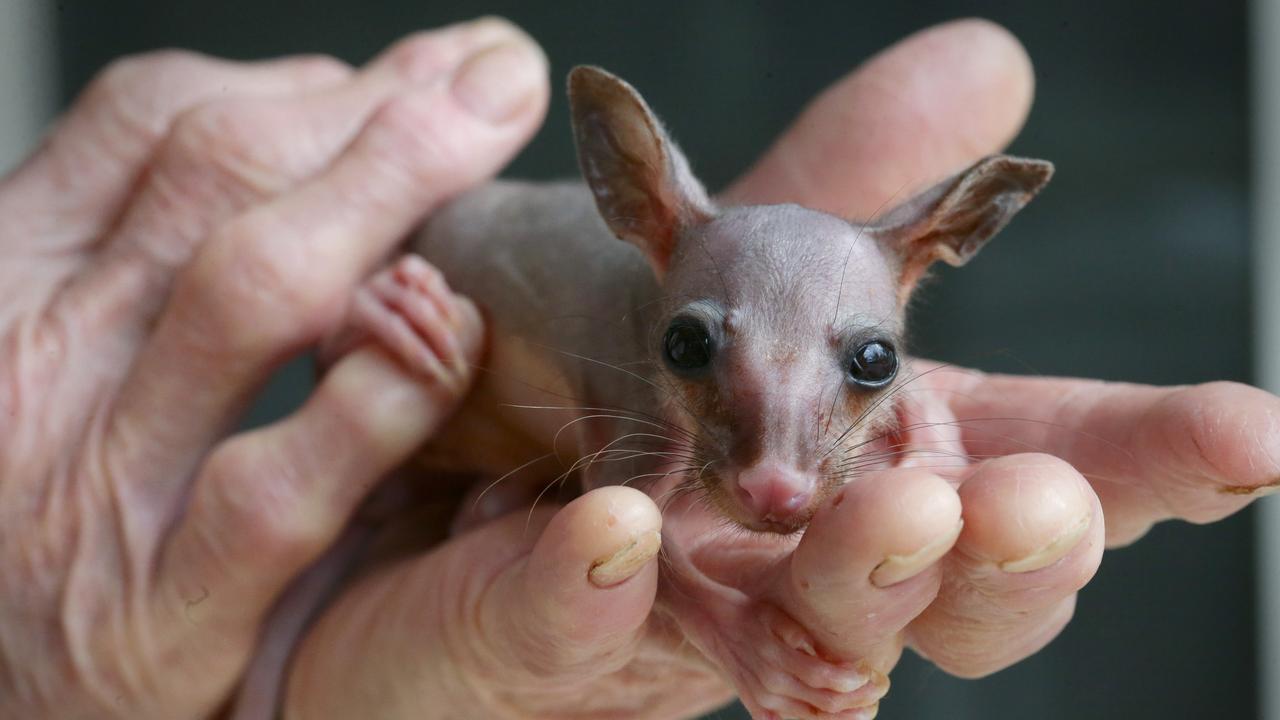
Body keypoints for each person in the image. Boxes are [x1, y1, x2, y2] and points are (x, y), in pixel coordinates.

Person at [0, 15, 1272, 720]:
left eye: (870, 364)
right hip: (428, 358)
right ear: (643, 215)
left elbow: (804, 448)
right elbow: (657, 533)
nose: (776, 486)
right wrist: (731, 631)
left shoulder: (805, 340)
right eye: (692, 353)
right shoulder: (634, 300)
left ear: (938, 246)